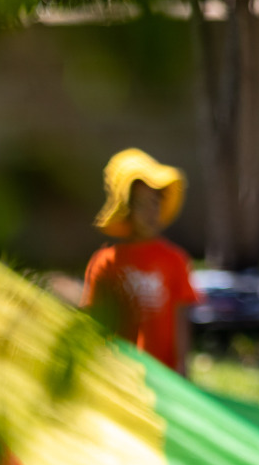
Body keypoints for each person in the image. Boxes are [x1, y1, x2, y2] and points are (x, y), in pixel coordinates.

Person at [82, 149, 199, 374]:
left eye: (155, 203)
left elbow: (180, 320)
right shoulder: (106, 263)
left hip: (165, 376)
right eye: (141, 205)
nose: (151, 213)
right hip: (121, 374)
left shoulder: (175, 260)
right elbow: (94, 321)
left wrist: (183, 366)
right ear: (126, 209)